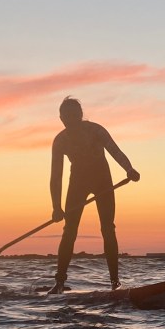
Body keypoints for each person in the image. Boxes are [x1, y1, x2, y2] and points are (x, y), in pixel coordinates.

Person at [49, 97, 139, 292]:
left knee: (108, 228)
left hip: (102, 181)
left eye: (74, 115)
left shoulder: (96, 130)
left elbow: (116, 152)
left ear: (80, 115)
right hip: (77, 183)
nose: (70, 120)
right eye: (66, 116)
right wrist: (56, 207)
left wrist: (129, 169)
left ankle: (115, 282)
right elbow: (56, 176)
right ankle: (60, 282)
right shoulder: (60, 141)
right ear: (61, 119)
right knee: (69, 231)